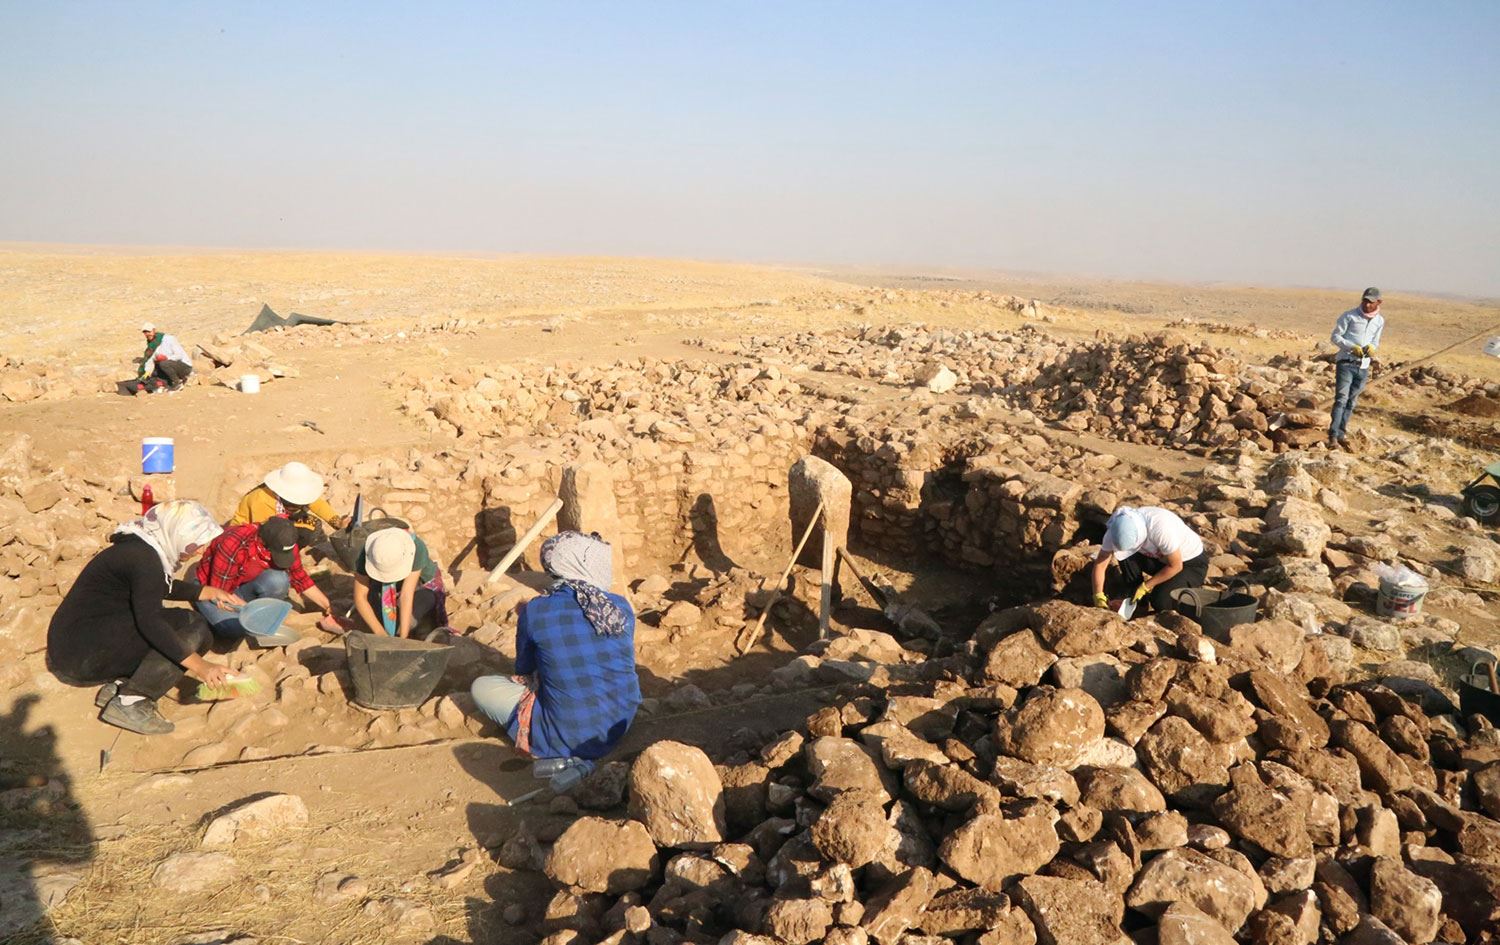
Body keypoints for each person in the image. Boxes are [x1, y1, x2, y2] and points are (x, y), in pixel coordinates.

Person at [47, 501, 241, 735]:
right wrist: (202, 667)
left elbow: (155, 586)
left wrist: (206, 592)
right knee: (193, 630)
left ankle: (121, 684)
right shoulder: (143, 559)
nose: (200, 551)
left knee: (192, 627)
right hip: (81, 655)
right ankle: (131, 701)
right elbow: (150, 623)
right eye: (196, 543)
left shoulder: (140, 548)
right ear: (177, 534)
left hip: (76, 644)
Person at [470, 532, 641, 789]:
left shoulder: (536, 609)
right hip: (619, 724)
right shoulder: (619, 606)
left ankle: (541, 739)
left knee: (482, 687)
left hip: (567, 736)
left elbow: (524, 669)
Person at [195, 517, 336, 639]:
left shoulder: (286, 541)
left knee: (279, 580)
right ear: (262, 542)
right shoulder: (234, 543)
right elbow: (220, 593)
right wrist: (251, 612)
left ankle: (256, 613)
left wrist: (328, 606)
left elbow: (300, 578)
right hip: (212, 588)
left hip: (242, 585)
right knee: (236, 628)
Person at [1090, 505, 1209, 617]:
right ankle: (1139, 604)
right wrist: (1098, 595)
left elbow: (1176, 566)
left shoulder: (1160, 528)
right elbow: (1100, 565)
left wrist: (1146, 586)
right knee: (1125, 556)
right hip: (1161, 560)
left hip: (1190, 564)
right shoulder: (1115, 530)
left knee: (1160, 602)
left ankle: (1181, 601)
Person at [352, 527, 449, 639]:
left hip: (422, 585)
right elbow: (360, 597)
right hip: (385, 587)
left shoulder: (415, 548)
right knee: (377, 621)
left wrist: (403, 639)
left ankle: (425, 625)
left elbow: (406, 595)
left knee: (402, 625)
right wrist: (382, 635)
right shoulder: (370, 552)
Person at [229, 461, 349, 548]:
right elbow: (265, 534)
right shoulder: (261, 500)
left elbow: (317, 504)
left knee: (312, 525)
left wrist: (338, 523)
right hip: (245, 537)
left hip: (274, 522)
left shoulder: (291, 492)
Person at [1327, 287, 1385, 451]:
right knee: (1341, 399)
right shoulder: (1349, 316)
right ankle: (1332, 436)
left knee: (1352, 402)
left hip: (1363, 365)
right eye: (1365, 301)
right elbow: (1335, 337)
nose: (1367, 304)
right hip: (1346, 362)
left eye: (1371, 302)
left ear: (1379, 302)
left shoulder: (1379, 321)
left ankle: (1341, 434)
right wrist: (1351, 347)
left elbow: (1375, 341)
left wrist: (1372, 348)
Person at [135, 322, 193, 394]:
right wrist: (147, 372)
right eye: (145, 332)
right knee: (155, 370)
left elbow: (179, 355)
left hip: (185, 367)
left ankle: (177, 383)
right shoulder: (155, 345)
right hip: (171, 367)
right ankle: (163, 385)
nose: (147, 334)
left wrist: (166, 358)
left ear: (154, 330)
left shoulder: (169, 339)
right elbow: (151, 360)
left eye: (149, 332)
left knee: (163, 364)